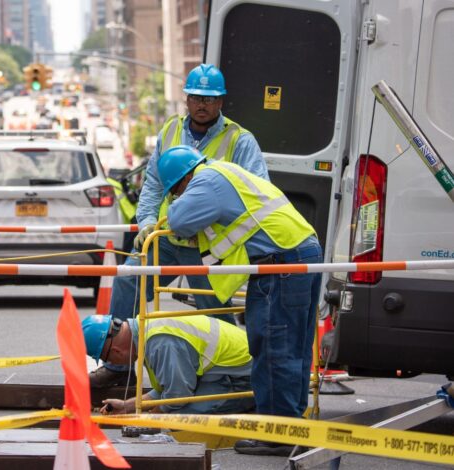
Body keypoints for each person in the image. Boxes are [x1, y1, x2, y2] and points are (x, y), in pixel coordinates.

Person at [91, 63, 268, 389]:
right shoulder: (170, 132)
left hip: (210, 245)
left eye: (210, 99)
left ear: (221, 102)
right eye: (197, 97)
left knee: (213, 316)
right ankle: (118, 368)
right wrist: (145, 224)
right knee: (128, 280)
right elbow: (153, 186)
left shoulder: (239, 141)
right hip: (170, 237)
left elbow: (256, 191)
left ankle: (229, 379)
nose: (203, 104)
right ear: (186, 99)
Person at [161, 145, 323, 456]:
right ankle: (291, 425)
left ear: (181, 181)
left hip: (281, 264)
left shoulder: (205, 182)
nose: (176, 197)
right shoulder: (226, 173)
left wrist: (171, 212)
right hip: (299, 254)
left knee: (274, 347)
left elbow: (179, 221)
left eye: (174, 192)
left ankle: (278, 432)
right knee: (294, 347)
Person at [81, 314, 255, 415]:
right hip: (227, 372)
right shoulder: (146, 327)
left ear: (116, 351)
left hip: (244, 381)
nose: (110, 363)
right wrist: (128, 406)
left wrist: (151, 418)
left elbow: (177, 395)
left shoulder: (159, 344)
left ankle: (255, 410)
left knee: (177, 419)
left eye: (107, 359)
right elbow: (171, 387)